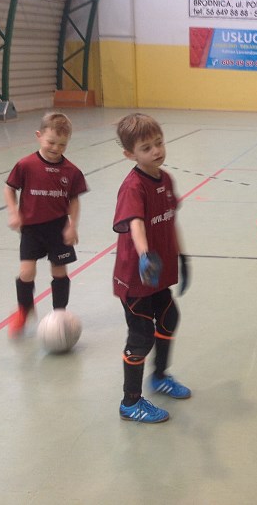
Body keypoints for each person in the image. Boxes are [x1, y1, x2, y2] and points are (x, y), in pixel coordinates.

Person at [113, 113, 190, 423]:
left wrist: (182, 257)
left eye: (159, 143)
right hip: (137, 277)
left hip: (159, 274)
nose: (156, 151)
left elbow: (170, 221)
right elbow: (136, 224)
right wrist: (145, 255)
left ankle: (159, 376)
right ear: (129, 154)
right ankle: (130, 403)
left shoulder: (166, 179)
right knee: (141, 336)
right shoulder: (133, 187)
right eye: (146, 148)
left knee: (169, 317)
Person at [4, 112, 87, 337]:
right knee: (26, 271)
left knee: (59, 271)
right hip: (31, 229)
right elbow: (9, 189)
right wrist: (13, 212)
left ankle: (59, 313)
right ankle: (24, 310)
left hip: (58, 228)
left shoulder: (71, 171)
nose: (56, 148)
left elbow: (74, 200)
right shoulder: (26, 165)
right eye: (51, 142)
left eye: (62, 144)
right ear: (39, 136)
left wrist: (72, 225)